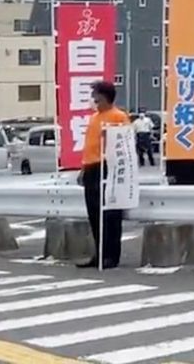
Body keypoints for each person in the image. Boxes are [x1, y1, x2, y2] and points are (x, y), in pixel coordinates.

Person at [78, 81, 130, 270]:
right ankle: (98, 254)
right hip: (91, 167)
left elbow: (124, 143)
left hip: (108, 167)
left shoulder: (119, 116)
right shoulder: (94, 118)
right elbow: (89, 146)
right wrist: (83, 168)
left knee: (109, 214)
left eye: (96, 95)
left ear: (105, 96)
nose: (93, 99)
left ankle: (111, 256)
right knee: (94, 214)